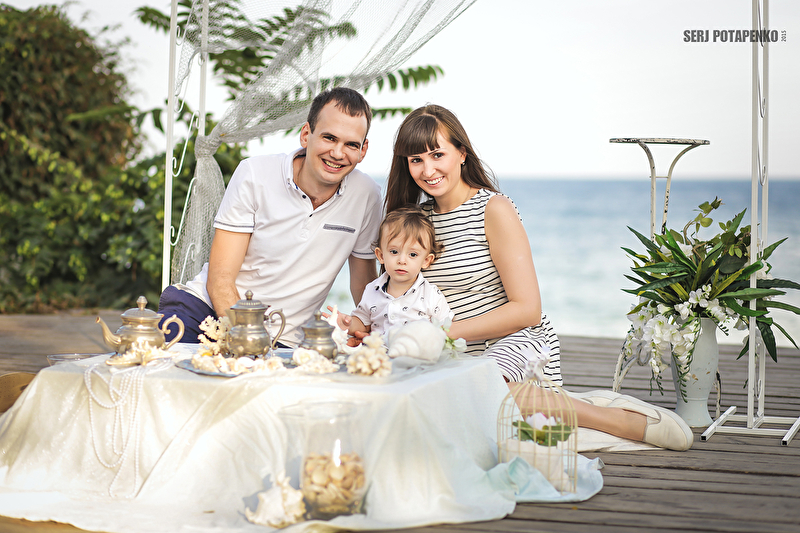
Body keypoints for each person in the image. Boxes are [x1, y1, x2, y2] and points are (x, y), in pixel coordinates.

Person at [384, 104, 693, 451]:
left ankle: (615, 420)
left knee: (478, 389)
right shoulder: (414, 221)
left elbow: (527, 310)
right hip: (450, 351)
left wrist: (441, 333)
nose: (428, 170)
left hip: (510, 340)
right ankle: (558, 404)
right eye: (416, 160)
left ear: (462, 153)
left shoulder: (492, 209)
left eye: (437, 154)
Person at [159, 88, 381, 347]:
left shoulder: (367, 194)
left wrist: (370, 329)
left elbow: (364, 286)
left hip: (283, 337)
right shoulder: (255, 174)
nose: (338, 153)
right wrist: (250, 340)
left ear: (363, 150)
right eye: (329, 138)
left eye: (351, 144)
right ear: (306, 134)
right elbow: (220, 279)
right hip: (205, 311)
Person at [339, 205, 451, 341]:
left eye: (413, 254)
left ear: (426, 261)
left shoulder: (431, 295)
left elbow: (445, 329)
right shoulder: (372, 290)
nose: (402, 260)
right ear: (381, 256)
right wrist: (347, 324)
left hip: (415, 353)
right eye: (394, 252)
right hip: (377, 352)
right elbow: (363, 324)